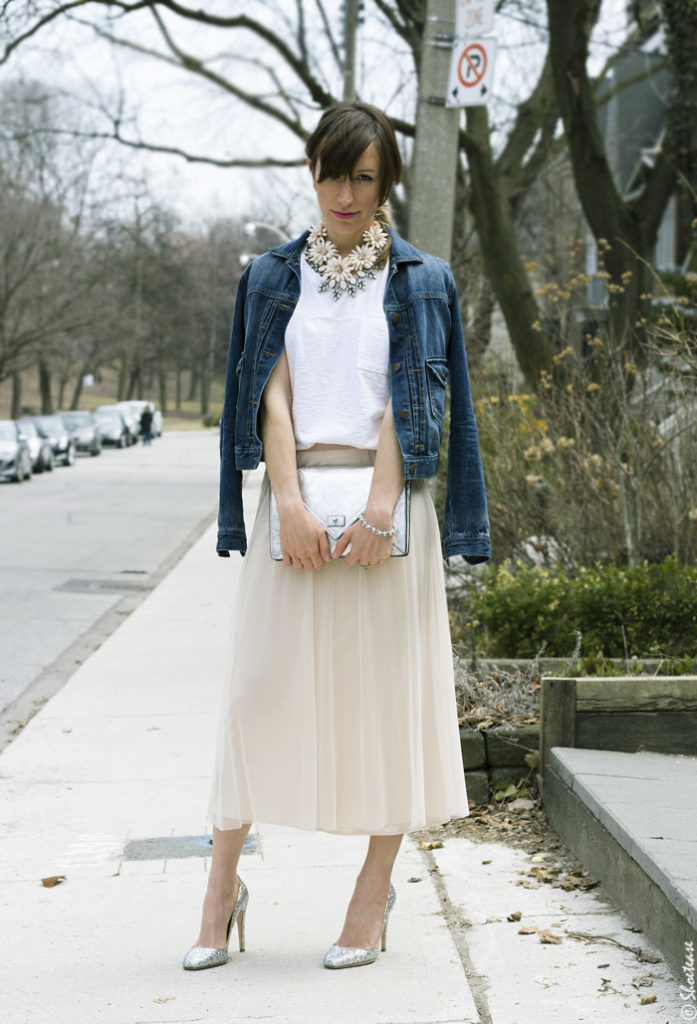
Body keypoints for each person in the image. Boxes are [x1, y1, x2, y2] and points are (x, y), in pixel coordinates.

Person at [183, 101, 490, 972]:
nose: (345, 193)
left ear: (384, 179)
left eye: (363, 175)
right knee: (256, 696)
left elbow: (423, 399)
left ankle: (371, 894)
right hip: (296, 499)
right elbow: (266, 392)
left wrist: (383, 507)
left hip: (388, 511)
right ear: (310, 172)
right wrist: (285, 501)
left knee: (384, 708)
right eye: (331, 172)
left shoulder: (423, 279)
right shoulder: (270, 275)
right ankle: (219, 888)